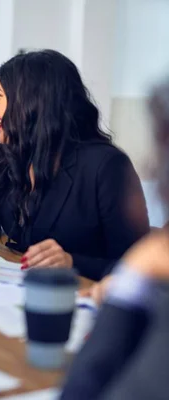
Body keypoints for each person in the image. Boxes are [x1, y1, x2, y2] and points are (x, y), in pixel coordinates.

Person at [0, 49, 149, 281]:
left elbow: (141, 268)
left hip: (83, 299)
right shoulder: (11, 155)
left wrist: (73, 262)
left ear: (33, 102)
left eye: (0, 95)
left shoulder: (107, 166)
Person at [61, 78, 169, 400]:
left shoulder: (105, 164)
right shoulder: (15, 161)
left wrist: (130, 280)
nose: (151, 170)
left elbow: (86, 388)